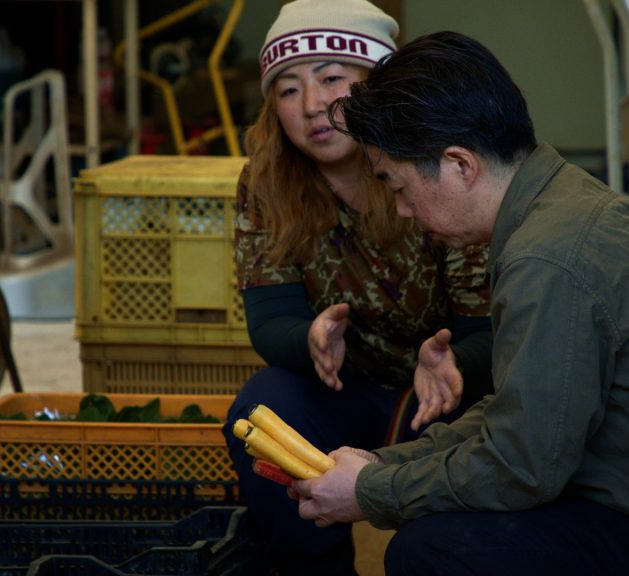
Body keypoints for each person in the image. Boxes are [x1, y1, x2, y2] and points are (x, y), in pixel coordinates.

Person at [292, 30, 629, 575]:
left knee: (437, 550)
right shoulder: (561, 202)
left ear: (460, 165)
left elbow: (523, 467)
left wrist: (374, 491)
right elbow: (522, 415)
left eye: (398, 188)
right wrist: (382, 464)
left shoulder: (547, 257)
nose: (401, 211)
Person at [221, 5, 494, 575]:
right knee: (263, 407)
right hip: (346, 387)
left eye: (331, 78)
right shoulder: (267, 180)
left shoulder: (432, 163)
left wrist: (452, 364)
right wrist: (311, 339)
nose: (313, 105)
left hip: (444, 392)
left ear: (376, 84)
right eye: (289, 89)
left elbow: (489, 325)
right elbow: (269, 317)